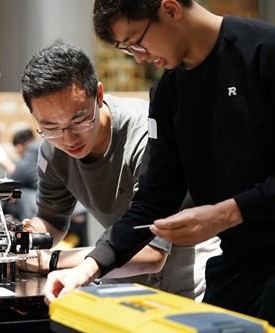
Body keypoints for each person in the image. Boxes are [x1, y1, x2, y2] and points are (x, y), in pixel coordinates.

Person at [43, 0, 275, 325]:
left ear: (170, 8)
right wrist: (88, 269)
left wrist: (226, 214)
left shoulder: (263, 50)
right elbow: (153, 199)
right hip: (239, 264)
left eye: (137, 41)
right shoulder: (168, 91)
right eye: (127, 49)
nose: (139, 56)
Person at [22, 42, 221, 300]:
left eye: (80, 120)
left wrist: (53, 260)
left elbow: (152, 253)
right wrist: (27, 238)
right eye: (50, 127)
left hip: (188, 264)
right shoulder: (52, 148)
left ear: (99, 94)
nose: (68, 139)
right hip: (119, 263)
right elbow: (52, 219)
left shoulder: (145, 134)